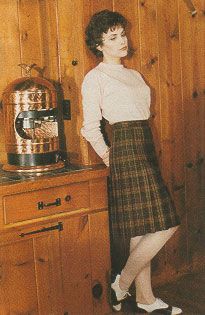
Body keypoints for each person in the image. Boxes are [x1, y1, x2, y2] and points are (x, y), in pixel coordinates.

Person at [81, 9, 182, 315]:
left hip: (144, 144)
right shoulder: (94, 77)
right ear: (99, 45)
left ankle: (146, 298)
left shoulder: (134, 74)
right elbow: (89, 126)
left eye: (122, 34)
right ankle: (121, 284)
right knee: (167, 225)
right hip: (124, 148)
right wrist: (110, 155)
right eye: (113, 37)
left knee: (144, 227)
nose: (122, 41)